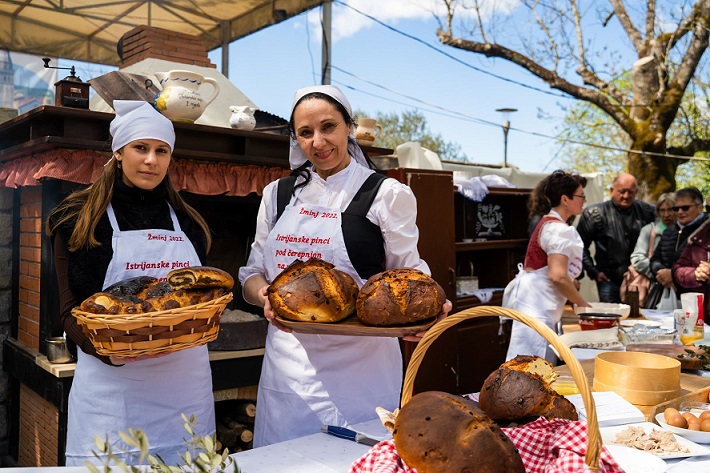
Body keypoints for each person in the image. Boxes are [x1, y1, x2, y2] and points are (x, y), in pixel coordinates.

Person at [238, 85, 451, 447]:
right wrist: (264, 297)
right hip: (290, 371)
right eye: (305, 133)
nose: (318, 142)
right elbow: (252, 274)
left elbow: (409, 276)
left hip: (361, 371)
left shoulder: (385, 193)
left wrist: (425, 316)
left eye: (328, 127)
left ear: (349, 127)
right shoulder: (277, 194)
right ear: (295, 138)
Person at [46, 101, 215, 466]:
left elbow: (201, 300)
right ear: (119, 152)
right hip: (112, 391)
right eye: (141, 148)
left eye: (161, 150)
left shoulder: (189, 223)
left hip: (183, 388)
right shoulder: (76, 219)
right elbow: (66, 311)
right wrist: (114, 350)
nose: (151, 160)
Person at [503, 170, 591, 363]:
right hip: (538, 311)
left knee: (526, 368)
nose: (584, 200)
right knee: (533, 370)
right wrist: (584, 306)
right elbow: (557, 276)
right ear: (565, 199)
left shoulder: (548, 223)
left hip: (534, 307)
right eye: (580, 196)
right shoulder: (558, 229)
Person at [576, 173, 656, 302]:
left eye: (630, 192)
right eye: (622, 191)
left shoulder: (648, 211)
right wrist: (593, 272)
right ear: (612, 191)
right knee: (611, 316)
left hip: (638, 278)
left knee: (637, 318)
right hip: (608, 279)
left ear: (636, 192)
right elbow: (579, 245)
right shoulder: (594, 213)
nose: (626, 196)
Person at [650, 187, 708, 304]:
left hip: (699, 297)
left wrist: (673, 275)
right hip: (669, 294)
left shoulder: (705, 230)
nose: (680, 212)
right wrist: (663, 273)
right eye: (676, 209)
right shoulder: (670, 230)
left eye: (685, 208)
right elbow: (654, 260)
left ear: (700, 207)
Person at [626, 193, 677, 307]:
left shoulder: (682, 231)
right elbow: (637, 258)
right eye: (662, 210)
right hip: (651, 286)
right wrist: (659, 274)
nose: (666, 214)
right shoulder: (649, 230)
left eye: (670, 210)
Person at [673, 205, 710, 321]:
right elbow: (677, 269)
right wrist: (695, 274)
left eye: (685, 208)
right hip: (702, 321)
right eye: (708, 208)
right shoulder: (701, 235)